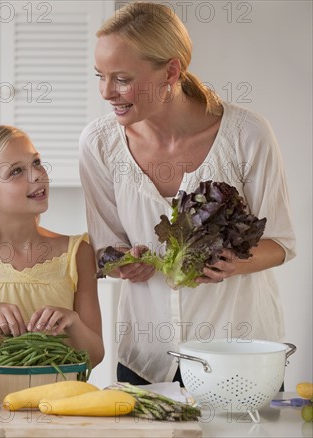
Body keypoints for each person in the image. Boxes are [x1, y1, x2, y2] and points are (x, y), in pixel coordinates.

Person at [79, 2, 296, 385]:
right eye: (100, 76)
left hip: (239, 355)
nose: (106, 92)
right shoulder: (99, 144)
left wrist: (236, 263)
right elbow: (104, 246)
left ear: (172, 71)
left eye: (122, 79)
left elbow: (280, 242)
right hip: (146, 359)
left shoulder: (247, 135)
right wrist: (121, 261)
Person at [0, 125, 104, 366]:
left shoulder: (78, 253)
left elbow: (95, 356)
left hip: (58, 402)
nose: (36, 175)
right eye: (16, 171)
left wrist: (73, 323)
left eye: (36, 162)